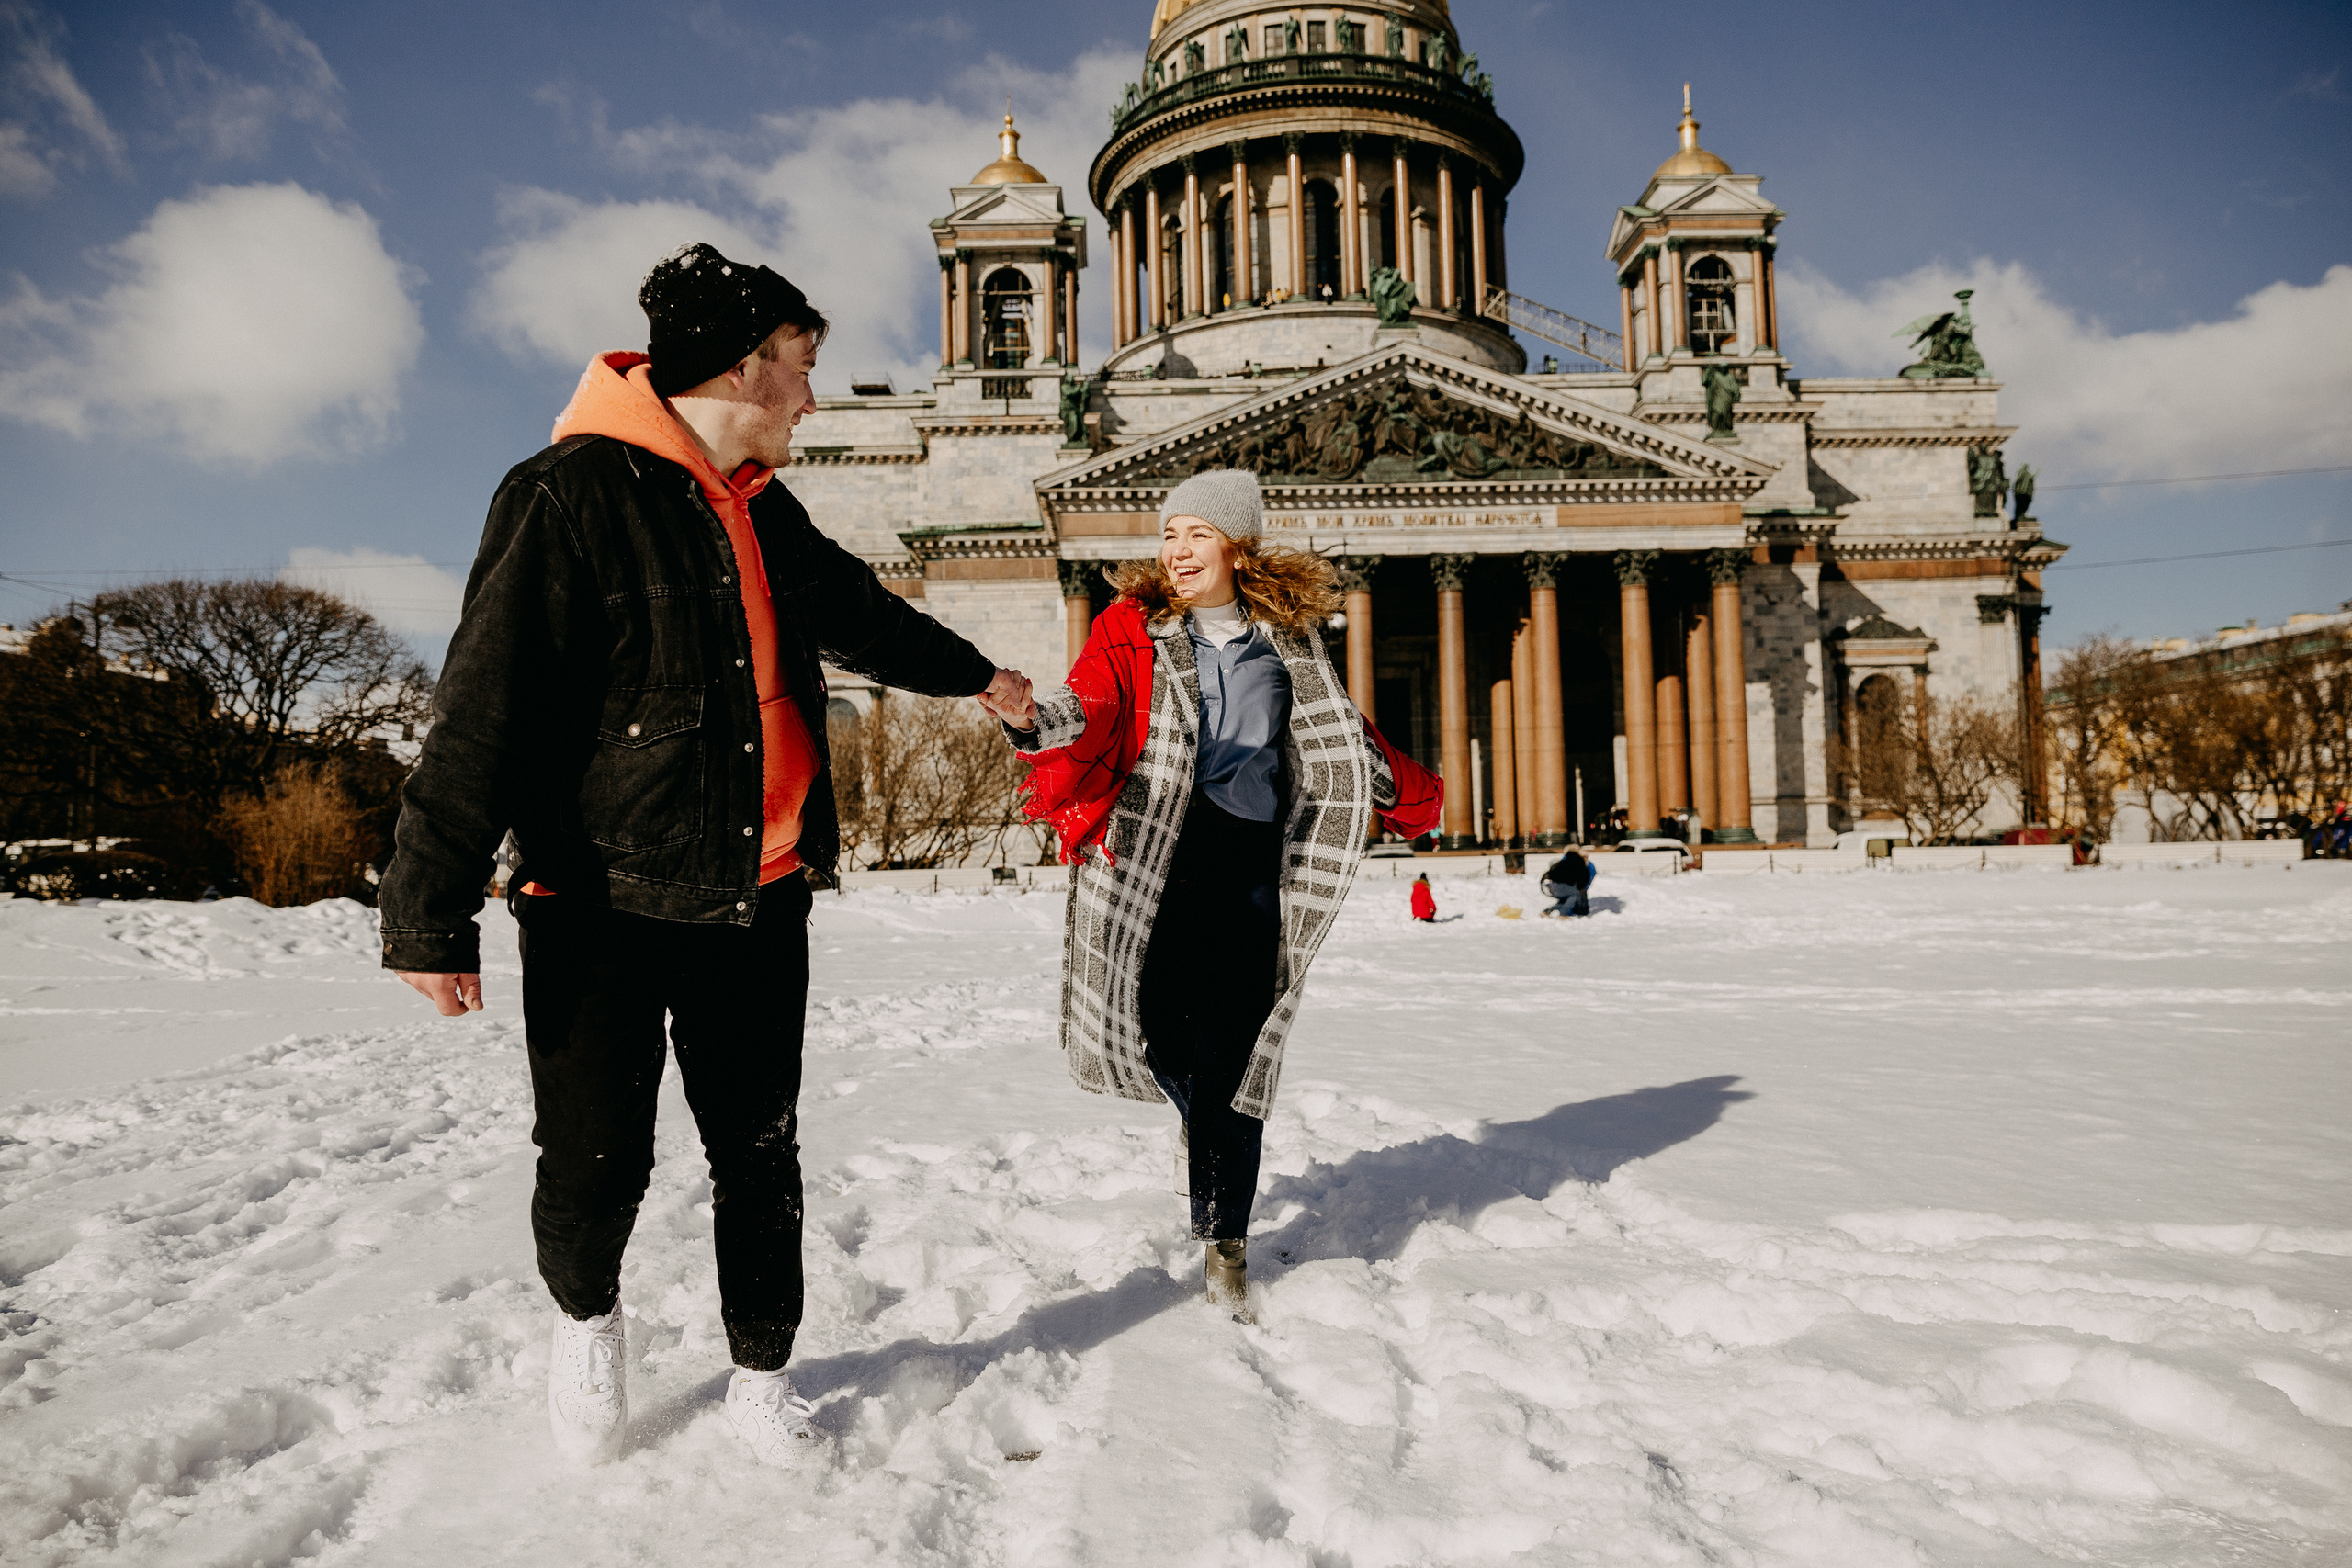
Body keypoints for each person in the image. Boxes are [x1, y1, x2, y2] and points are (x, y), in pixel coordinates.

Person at [378, 243, 1032, 1469]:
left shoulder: (761, 504)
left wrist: (980, 676)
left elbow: (859, 613)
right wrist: (427, 909)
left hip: (756, 899)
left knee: (759, 1152)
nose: (812, 397)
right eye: (801, 367)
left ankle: (761, 1376)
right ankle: (586, 1322)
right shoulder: (566, 494)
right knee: (594, 1161)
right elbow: (485, 709)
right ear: (743, 367)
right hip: (599, 902)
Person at [994, 470, 1440, 1319]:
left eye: (1197, 533)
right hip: (1163, 859)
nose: (1178, 550)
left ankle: (1225, 1244)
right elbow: (1086, 706)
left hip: (1253, 868)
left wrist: (1408, 793)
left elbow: (1340, 735)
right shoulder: (1134, 629)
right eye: (1170, 535)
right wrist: (1028, 717)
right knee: (1163, 1034)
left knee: (1236, 1063)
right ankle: (1204, 1129)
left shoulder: (1290, 642)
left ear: (1237, 545)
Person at [1539, 850, 1593, 918]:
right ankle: (1563, 914)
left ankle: (1547, 912)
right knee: (1576, 894)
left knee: (1568, 898)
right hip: (1554, 885)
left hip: (1545, 884)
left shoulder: (1568, 860)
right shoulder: (1580, 863)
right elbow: (1583, 882)